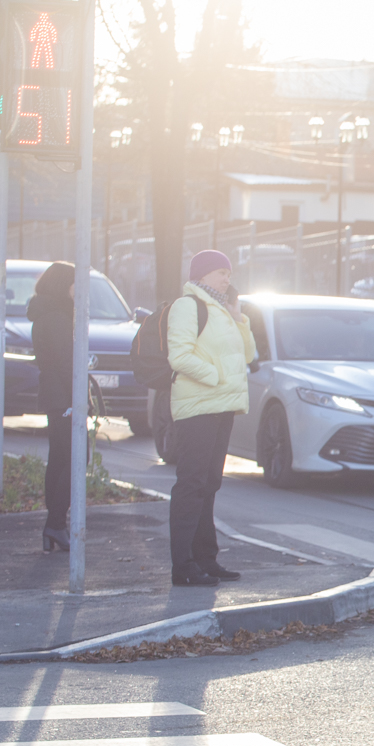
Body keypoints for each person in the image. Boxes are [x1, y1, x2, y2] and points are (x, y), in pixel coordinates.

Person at [166, 250, 257, 586]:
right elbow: (180, 355)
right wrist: (215, 377)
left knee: (210, 485)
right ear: (201, 276)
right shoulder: (188, 306)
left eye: (228, 273)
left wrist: (239, 318)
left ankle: (206, 559)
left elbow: (247, 354)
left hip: (221, 407)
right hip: (197, 407)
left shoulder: (222, 310)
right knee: (191, 484)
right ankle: (183, 566)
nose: (226, 278)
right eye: (220, 272)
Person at [27, 261, 77, 552]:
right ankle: (56, 523)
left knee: (59, 458)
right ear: (63, 285)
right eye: (74, 285)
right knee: (74, 458)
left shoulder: (46, 313)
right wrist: (78, 400)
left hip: (54, 395)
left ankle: (55, 524)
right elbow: (66, 363)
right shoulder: (57, 317)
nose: (78, 291)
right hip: (63, 397)